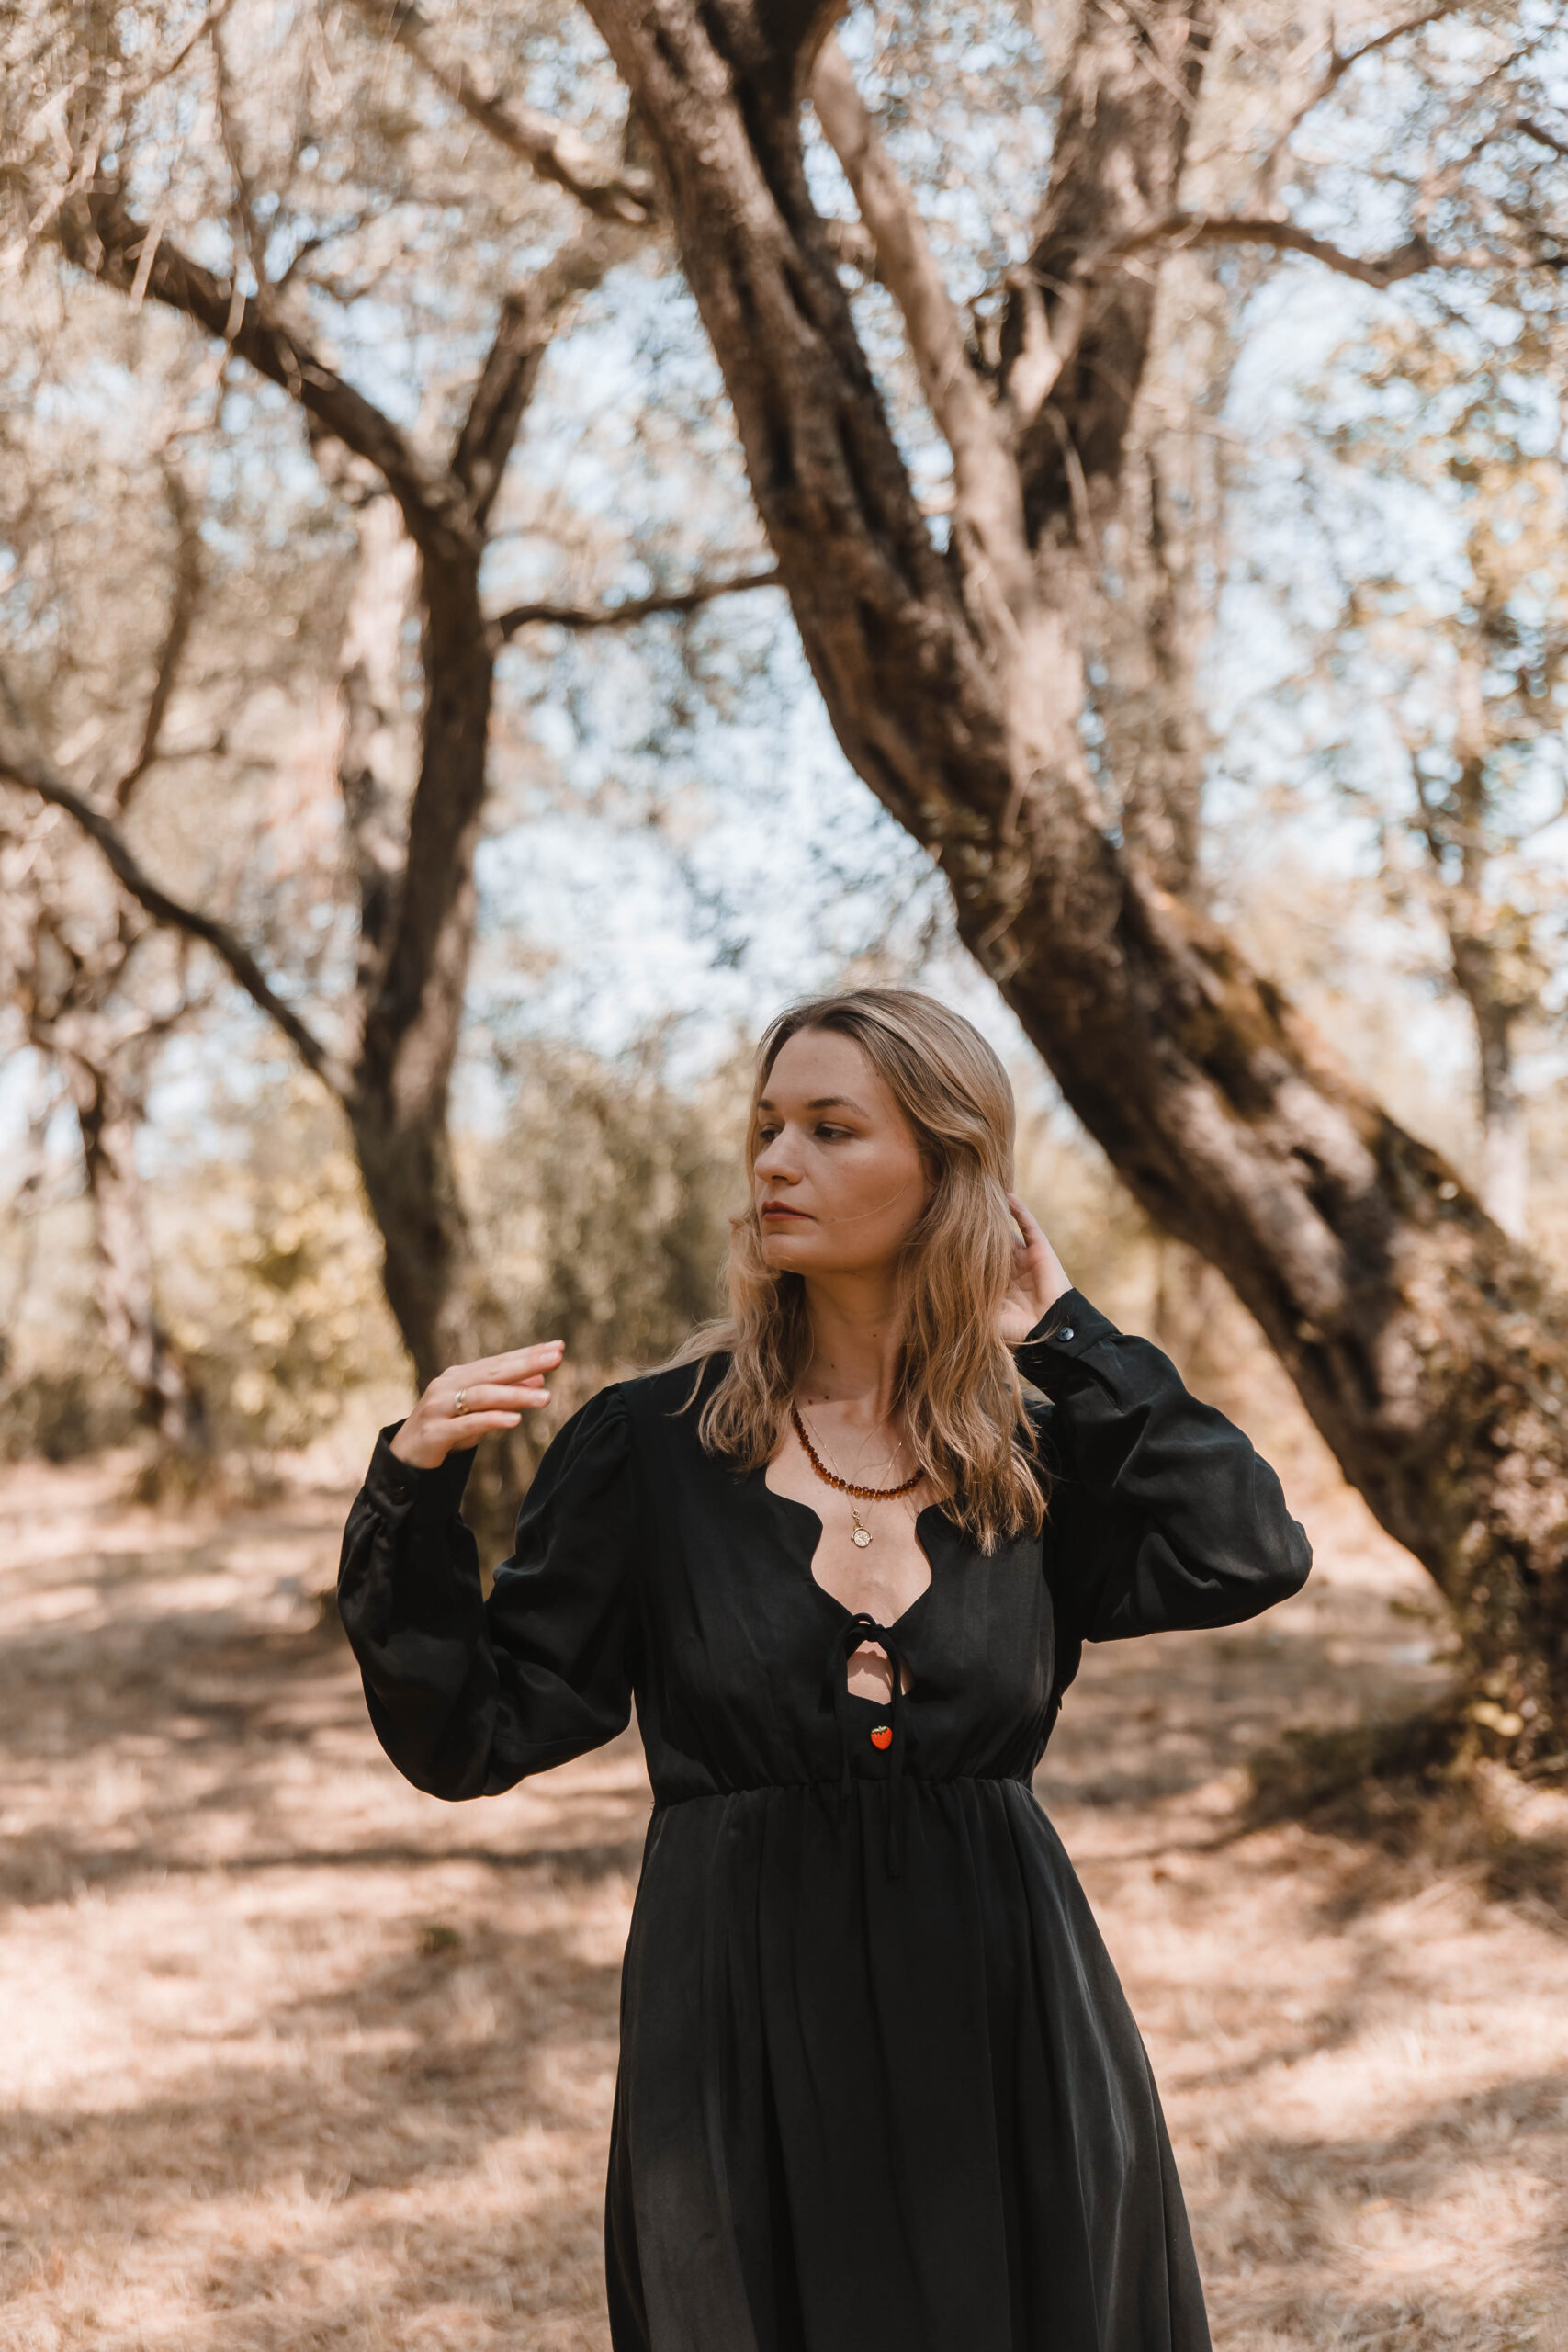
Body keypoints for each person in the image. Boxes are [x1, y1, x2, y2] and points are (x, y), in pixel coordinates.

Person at [337, 986, 1311, 2352]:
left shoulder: (1035, 1447)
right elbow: (476, 1731)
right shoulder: (653, 1448)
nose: (776, 1163)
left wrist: (1069, 1333)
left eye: (831, 1129)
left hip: (1007, 2018)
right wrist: (411, 1492)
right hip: (735, 2033)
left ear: (949, 1169)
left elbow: (1247, 1550)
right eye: (767, 1127)